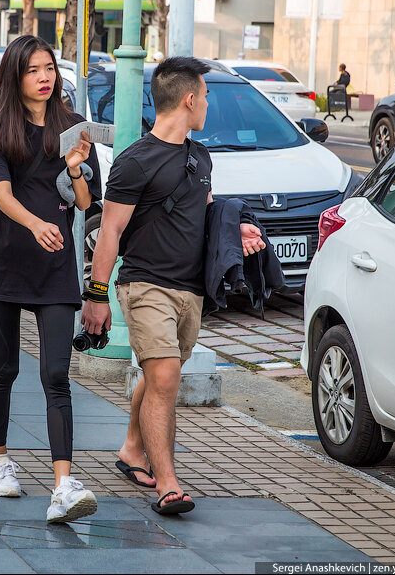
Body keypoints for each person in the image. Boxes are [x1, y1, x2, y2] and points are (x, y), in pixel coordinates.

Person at [81, 57, 266, 515]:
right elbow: (110, 233)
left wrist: (234, 232)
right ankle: (168, 483)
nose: (206, 103)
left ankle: (130, 449)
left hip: (190, 290)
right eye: (204, 95)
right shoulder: (135, 162)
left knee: (160, 375)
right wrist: (97, 296)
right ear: (188, 99)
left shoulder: (198, 156)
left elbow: (200, 211)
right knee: (165, 376)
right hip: (146, 286)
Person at [0, 34, 102, 523]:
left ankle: (64, 486)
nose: (45, 77)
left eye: (49, 68)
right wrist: (36, 223)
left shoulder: (71, 126)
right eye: (33, 70)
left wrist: (74, 169)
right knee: (5, 369)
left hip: (55, 270)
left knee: (55, 375)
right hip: (6, 263)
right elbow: (3, 197)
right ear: (16, 76)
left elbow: (88, 203)